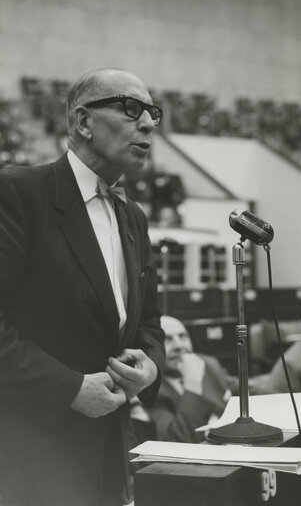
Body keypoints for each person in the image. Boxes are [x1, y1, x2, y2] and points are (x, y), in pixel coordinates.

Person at [0, 68, 165, 506]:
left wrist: (149, 367)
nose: (148, 123)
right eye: (131, 108)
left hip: (111, 458)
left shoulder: (135, 218)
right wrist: (69, 387)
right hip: (32, 460)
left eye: (152, 112)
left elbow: (149, 324)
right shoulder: (17, 193)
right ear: (83, 122)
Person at [144, 315, 238, 443]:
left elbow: (244, 389)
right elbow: (180, 439)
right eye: (167, 339)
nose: (179, 346)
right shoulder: (150, 389)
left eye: (183, 336)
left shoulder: (207, 363)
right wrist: (192, 384)